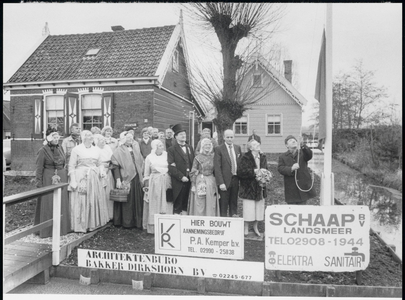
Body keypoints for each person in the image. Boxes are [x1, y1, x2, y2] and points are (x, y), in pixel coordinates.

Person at [68, 130, 109, 233]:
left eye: (91, 136)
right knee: (82, 199)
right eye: (88, 136)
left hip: (94, 177)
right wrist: (73, 180)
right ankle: (81, 225)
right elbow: (71, 166)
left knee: (93, 199)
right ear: (83, 137)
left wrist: (102, 171)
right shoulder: (76, 149)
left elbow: (100, 163)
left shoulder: (96, 150)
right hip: (81, 177)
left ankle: (93, 223)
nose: (91, 137)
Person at [34, 128, 71, 237]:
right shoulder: (43, 150)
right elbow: (39, 168)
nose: (56, 139)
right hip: (48, 177)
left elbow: (64, 163)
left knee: (61, 200)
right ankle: (47, 230)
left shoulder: (60, 148)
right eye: (53, 137)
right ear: (48, 138)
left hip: (61, 176)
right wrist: (39, 183)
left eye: (57, 137)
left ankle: (62, 228)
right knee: (49, 201)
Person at [111, 131, 144, 228]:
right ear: (123, 139)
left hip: (137, 177)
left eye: (131, 138)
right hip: (125, 177)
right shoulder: (118, 150)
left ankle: (137, 221)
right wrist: (118, 179)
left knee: (137, 199)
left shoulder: (136, 149)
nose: (130, 139)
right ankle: (126, 222)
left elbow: (141, 161)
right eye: (128, 138)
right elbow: (115, 166)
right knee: (127, 200)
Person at [237, 139, 267, 236]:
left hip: (260, 187)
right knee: (248, 209)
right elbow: (240, 172)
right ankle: (246, 227)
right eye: (255, 144)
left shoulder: (263, 157)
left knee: (259, 209)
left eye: (258, 143)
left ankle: (255, 227)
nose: (258, 145)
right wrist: (254, 172)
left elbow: (266, 169)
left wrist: (265, 175)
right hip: (248, 187)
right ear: (250, 147)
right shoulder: (244, 157)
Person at [142, 139, 173, 233]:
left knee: (166, 201)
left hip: (166, 181)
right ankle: (154, 227)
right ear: (155, 147)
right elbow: (146, 173)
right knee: (155, 202)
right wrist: (146, 186)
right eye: (159, 146)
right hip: (154, 182)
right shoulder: (149, 157)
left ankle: (167, 226)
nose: (162, 147)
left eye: (162, 145)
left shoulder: (167, 155)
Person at [277, 135, 316, 205]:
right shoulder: (282, 157)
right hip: (291, 189)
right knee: (292, 210)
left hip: (303, 187)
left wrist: (302, 145)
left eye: (294, 140)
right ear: (286, 145)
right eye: (290, 141)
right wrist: (291, 168)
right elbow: (280, 168)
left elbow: (309, 155)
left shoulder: (302, 153)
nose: (293, 141)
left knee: (302, 210)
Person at [167, 123, 195, 215]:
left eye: (184, 134)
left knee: (186, 203)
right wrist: (181, 176)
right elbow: (171, 167)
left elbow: (193, 163)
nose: (183, 136)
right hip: (178, 181)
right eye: (181, 134)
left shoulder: (189, 147)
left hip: (189, 180)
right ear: (176, 137)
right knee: (178, 203)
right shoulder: (172, 149)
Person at [214, 129, 242, 217]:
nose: (230, 139)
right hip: (224, 181)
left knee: (234, 203)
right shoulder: (219, 149)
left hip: (235, 179)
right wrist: (221, 183)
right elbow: (217, 167)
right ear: (224, 138)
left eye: (231, 137)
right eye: (228, 137)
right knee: (223, 204)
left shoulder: (237, 148)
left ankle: (233, 221)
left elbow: (240, 164)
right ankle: (223, 223)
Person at [189, 138, 220, 216]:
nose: (208, 146)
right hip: (200, 180)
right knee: (200, 202)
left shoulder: (213, 157)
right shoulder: (197, 157)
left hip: (211, 181)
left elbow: (217, 170)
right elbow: (193, 171)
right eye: (206, 145)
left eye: (209, 145)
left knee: (211, 202)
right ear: (202, 146)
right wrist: (193, 185)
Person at [93, 134, 114, 220]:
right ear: (96, 141)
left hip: (109, 171)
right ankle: (102, 216)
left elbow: (112, 159)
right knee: (101, 192)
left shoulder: (108, 148)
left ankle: (110, 214)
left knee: (109, 192)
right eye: (101, 140)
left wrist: (109, 167)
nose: (103, 141)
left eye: (104, 139)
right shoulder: (94, 149)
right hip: (99, 172)